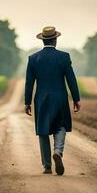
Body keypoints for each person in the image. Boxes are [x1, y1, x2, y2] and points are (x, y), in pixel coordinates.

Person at [24, 26, 81, 175]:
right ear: (55, 40)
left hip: (41, 99)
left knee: (43, 131)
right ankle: (58, 151)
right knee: (60, 126)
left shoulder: (33, 59)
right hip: (60, 98)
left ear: (43, 40)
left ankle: (47, 166)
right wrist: (76, 99)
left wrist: (27, 102)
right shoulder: (64, 57)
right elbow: (71, 80)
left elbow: (29, 83)